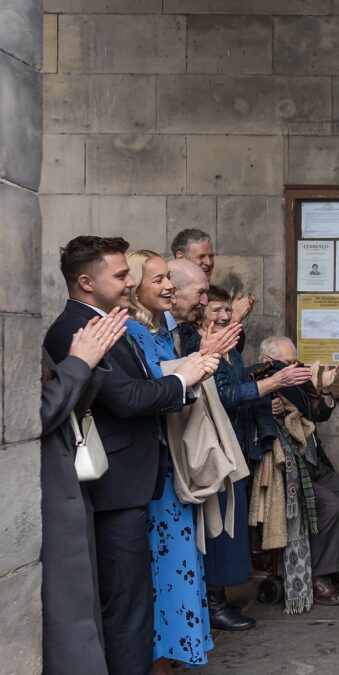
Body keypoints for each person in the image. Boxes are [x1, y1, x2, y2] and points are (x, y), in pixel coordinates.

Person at [43, 236, 217, 674]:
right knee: (126, 606)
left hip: (130, 480)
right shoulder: (75, 327)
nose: (128, 283)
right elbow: (125, 397)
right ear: (86, 282)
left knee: (134, 601)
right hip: (115, 484)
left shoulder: (106, 320)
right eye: (120, 275)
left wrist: (184, 378)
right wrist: (185, 377)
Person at [123, 249, 216, 672]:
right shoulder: (129, 330)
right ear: (135, 286)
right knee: (163, 569)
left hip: (168, 463)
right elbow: (148, 392)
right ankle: (160, 659)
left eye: (169, 280)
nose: (168, 287)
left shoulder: (159, 330)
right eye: (158, 279)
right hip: (149, 468)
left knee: (180, 563)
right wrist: (193, 368)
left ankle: (174, 657)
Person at [201, 286, 299, 631]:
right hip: (216, 450)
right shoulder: (201, 351)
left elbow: (242, 386)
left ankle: (217, 601)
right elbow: (223, 395)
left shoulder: (231, 351)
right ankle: (213, 605)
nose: (225, 316)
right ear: (201, 314)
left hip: (238, 448)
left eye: (228, 311)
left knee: (230, 529)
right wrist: (272, 385)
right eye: (216, 310)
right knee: (218, 531)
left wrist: (263, 400)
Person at [259, 336, 339, 604]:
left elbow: (319, 414)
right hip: (293, 471)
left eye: (297, 361)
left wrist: (324, 390)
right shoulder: (262, 385)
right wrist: (266, 408)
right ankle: (318, 576)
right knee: (332, 505)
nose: (296, 367)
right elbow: (246, 411)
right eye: (288, 362)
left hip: (316, 463)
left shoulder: (298, 382)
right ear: (269, 362)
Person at [40, 310, 127, 675]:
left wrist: (91, 361)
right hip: (49, 489)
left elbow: (68, 405)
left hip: (65, 486)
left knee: (81, 608)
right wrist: (78, 363)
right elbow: (34, 415)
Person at [171, 228, 256, 326]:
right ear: (180, 257)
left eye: (211, 256)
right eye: (201, 257)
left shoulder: (213, 292)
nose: (209, 262)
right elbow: (187, 339)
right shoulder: (167, 295)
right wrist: (233, 320)